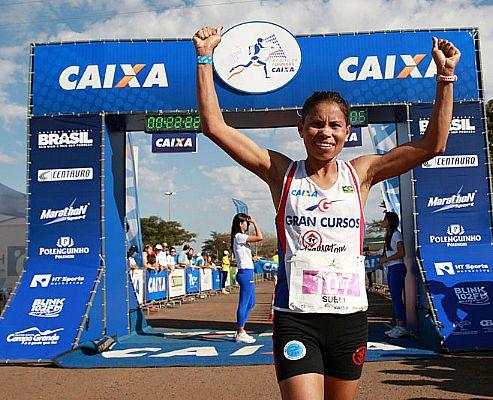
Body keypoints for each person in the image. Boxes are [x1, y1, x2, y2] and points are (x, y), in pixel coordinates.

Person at [194, 26, 460, 399]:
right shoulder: (281, 172)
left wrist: (445, 77)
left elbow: (433, 144)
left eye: (335, 125)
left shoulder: (362, 173)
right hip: (296, 318)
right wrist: (205, 58)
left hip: (349, 319)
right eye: (316, 123)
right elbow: (215, 127)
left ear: (347, 132)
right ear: (301, 128)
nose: (326, 132)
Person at [231, 213, 263, 343]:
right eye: (246, 223)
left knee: (251, 303)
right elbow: (260, 237)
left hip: (247, 271)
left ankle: (241, 329)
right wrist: (255, 222)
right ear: (241, 224)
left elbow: (243, 255)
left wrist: (252, 258)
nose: (247, 226)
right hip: (245, 273)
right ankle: (240, 331)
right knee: (244, 303)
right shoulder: (239, 236)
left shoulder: (240, 238)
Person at [378, 212, 408, 339]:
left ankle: (402, 326)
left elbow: (402, 252)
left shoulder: (396, 234)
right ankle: (398, 324)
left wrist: (387, 259)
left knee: (396, 298)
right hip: (391, 268)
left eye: (385, 219)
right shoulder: (389, 235)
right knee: (394, 297)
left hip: (397, 267)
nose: (383, 221)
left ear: (389, 221)